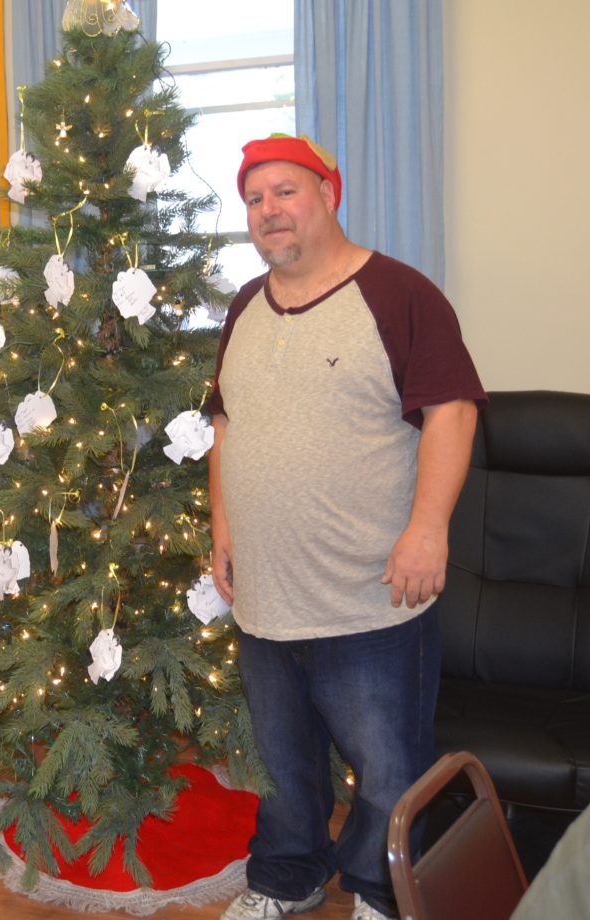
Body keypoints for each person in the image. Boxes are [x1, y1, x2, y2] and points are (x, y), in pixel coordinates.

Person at [207, 134, 486, 920]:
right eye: (255, 199)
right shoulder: (243, 308)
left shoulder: (399, 295)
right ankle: (285, 879)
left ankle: (378, 890)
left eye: (285, 192)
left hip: (371, 595)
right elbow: (225, 425)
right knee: (284, 764)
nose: (269, 211)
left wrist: (428, 528)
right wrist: (223, 526)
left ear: (330, 191)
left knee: (387, 766)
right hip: (267, 595)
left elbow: (451, 412)